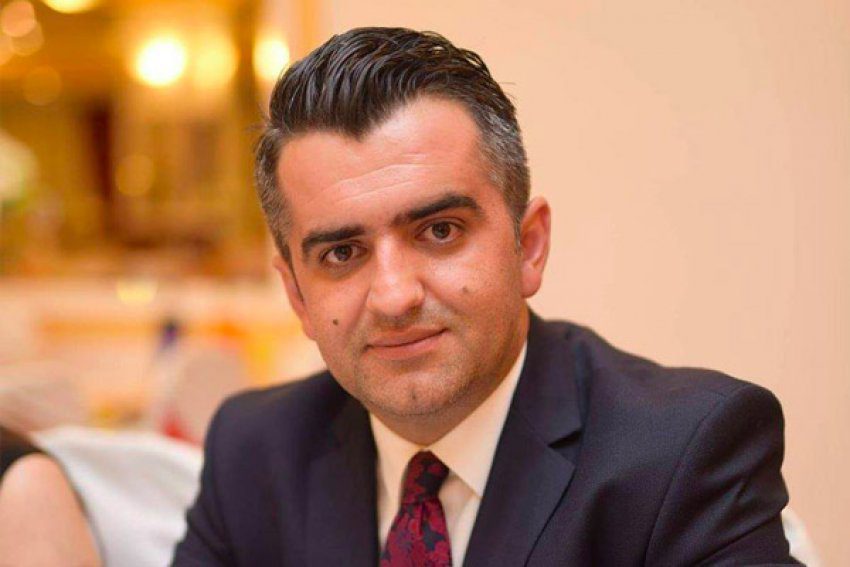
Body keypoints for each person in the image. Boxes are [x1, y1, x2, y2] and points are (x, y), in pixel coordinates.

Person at [173, 27, 797, 566]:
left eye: (439, 231)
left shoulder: (683, 453)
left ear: (529, 247)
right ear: (297, 296)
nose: (393, 296)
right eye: (342, 253)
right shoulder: (253, 451)